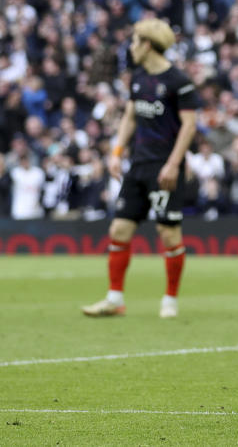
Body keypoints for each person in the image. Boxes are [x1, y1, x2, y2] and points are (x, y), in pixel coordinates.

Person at [82, 18, 200, 319]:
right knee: (119, 228)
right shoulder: (138, 77)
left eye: (135, 42)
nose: (131, 48)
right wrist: (116, 151)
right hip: (138, 165)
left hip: (164, 166)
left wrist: (174, 164)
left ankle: (170, 300)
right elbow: (130, 118)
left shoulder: (178, 81)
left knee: (168, 233)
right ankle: (114, 299)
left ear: (147, 45)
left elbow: (189, 126)